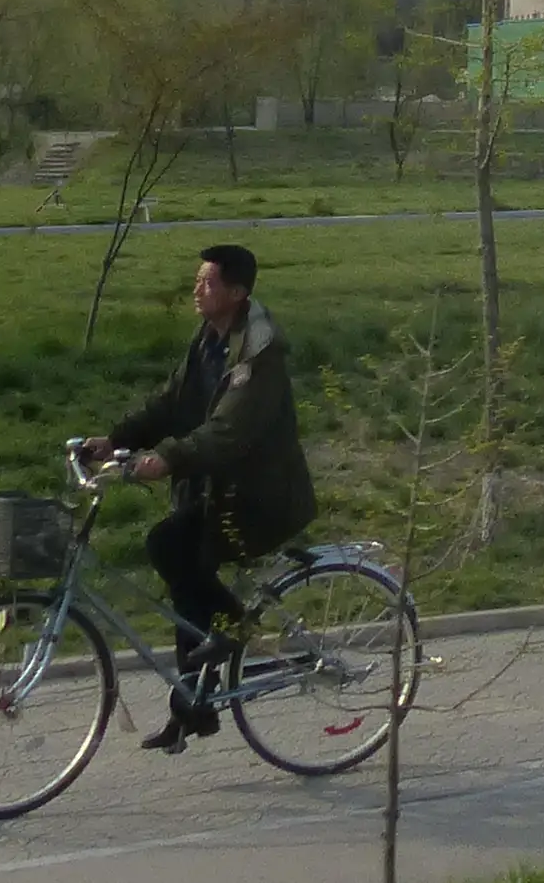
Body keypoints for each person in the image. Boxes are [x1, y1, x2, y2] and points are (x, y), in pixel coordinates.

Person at [82, 241, 318, 751]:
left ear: (236, 293)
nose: (196, 287)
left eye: (207, 282)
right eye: (198, 279)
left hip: (258, 500)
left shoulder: (260, 350)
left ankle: (229, 632)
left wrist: (167, 458)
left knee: (173, 550)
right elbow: (173, 401)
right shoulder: (210, 338)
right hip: (218, 492)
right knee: (181, 571)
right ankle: (193, 704)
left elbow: (228, 431)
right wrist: (117, 439)